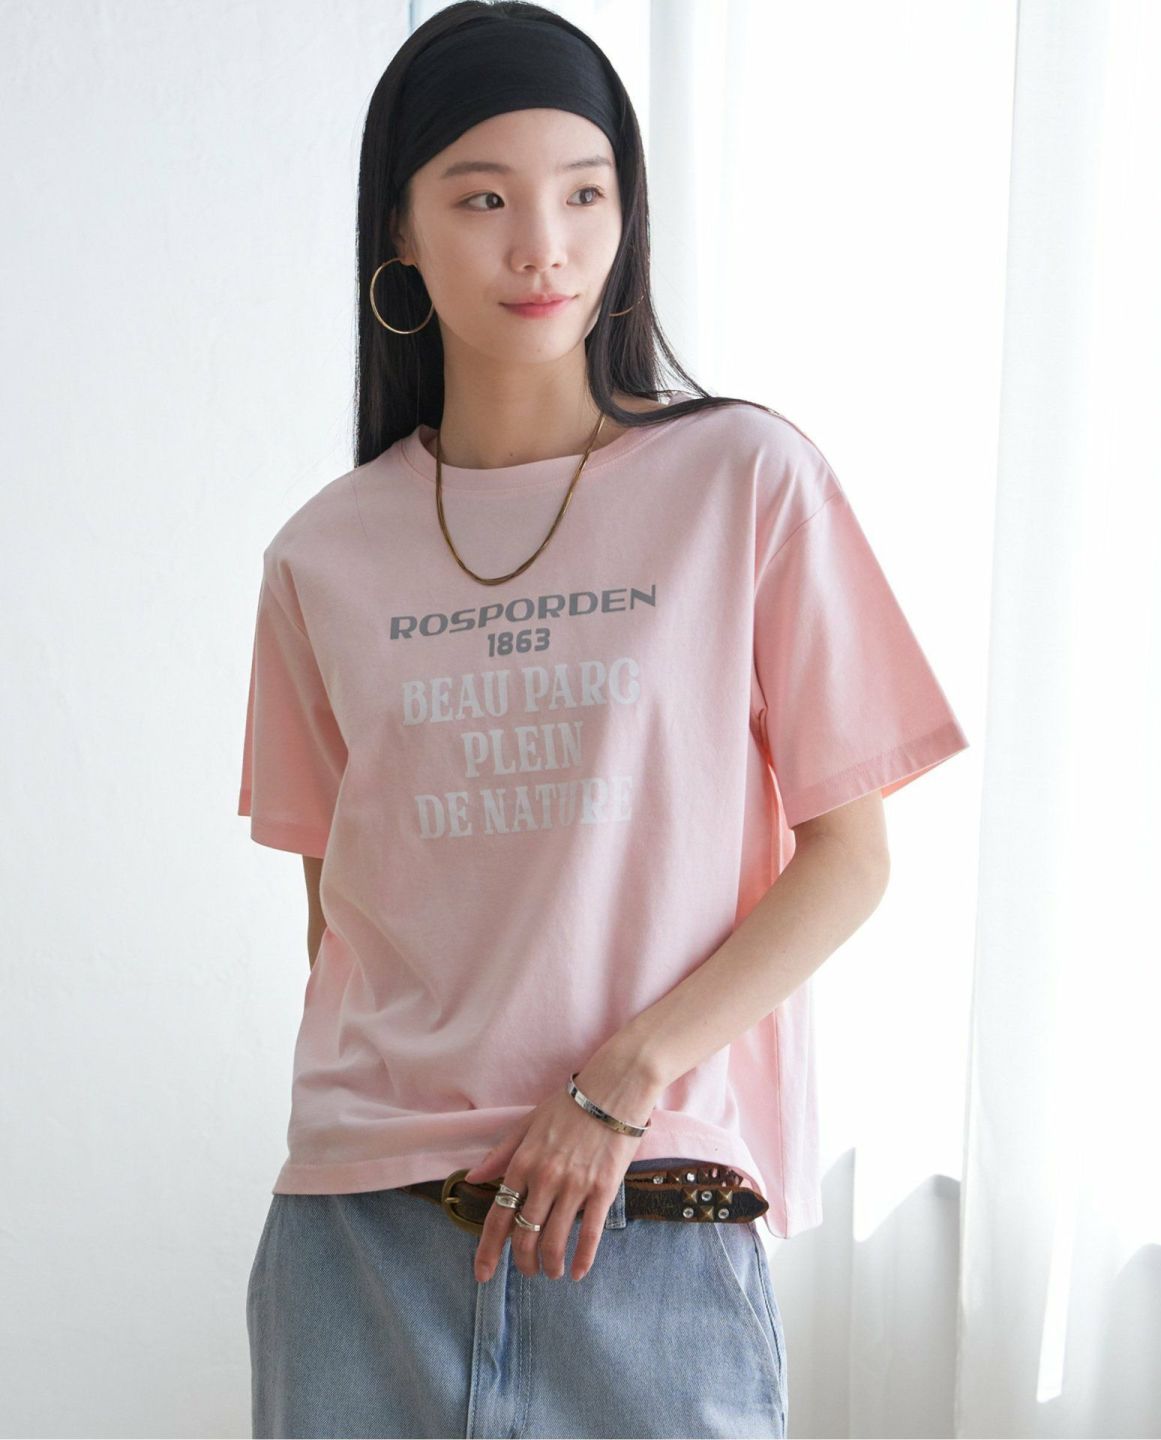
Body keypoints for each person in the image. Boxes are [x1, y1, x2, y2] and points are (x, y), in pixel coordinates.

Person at [237, 3, 970, 1436]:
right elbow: (338, 915)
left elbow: (850, 857)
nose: (543, 247)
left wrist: (621, 1081)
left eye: (585, 195)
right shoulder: (320, 557)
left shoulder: (746, 483)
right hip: (361, 1239)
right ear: (398, 232)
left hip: (645, 1210)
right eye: (484, 200)